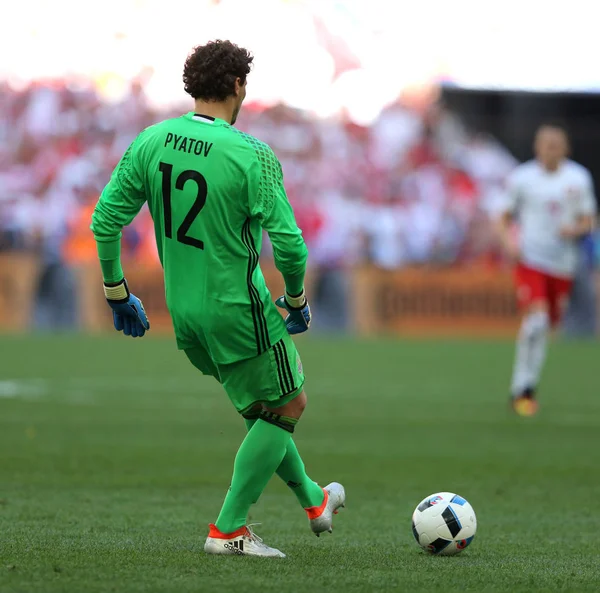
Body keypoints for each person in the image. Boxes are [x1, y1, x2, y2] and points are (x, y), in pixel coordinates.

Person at [90, 40, 345, 557]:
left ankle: (315, 501)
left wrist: (117, 292)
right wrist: (295, 299)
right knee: (288, 403)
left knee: (262, 409)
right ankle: (228, 531)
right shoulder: (251, 154)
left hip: (184, 315)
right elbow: (291, 245)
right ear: (237, 86)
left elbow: (105, 221)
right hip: (238, 310)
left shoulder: (152, 140)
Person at [496, 123, 596, 416]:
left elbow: (589, 220)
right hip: (531, 259)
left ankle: (528, 385)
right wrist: (509, 244)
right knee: (536, 322)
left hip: (563, 264)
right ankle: (522, 389)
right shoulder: (522, 178)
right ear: (537, 147)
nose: (550, 150)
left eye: (556, 144)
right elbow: (502, 217)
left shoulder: (578, 178)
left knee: (546, 327)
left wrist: (576, 228)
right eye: (545, 144)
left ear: (566, 148)